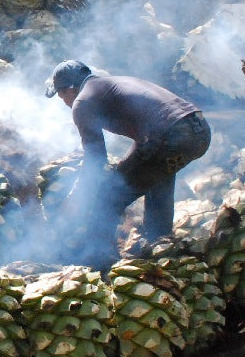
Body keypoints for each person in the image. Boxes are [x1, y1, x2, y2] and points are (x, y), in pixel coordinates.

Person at [46, 60, 211, 264]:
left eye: (61, 96)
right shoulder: (110, 85)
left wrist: (75, 197)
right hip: (199, 130)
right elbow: (144, 143)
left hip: (170, 134)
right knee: (157, 178)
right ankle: (161, 246)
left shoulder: (82, 102)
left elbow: (96, 159)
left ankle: (100, 259)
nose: (64, 101)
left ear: (70, 89)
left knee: (107, 194)